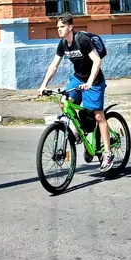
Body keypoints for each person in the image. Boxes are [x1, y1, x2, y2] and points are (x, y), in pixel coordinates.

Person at [38, 12, 113, 172]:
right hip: (78, 79)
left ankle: (107, 153)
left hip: (95, 81)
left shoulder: (82, 40)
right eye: (57, 27)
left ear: (70, 27)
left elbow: (97, 61)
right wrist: (43, 85)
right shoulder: (63, 44)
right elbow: (54, 66)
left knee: (98, 116)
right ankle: (79, 132)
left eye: (62, 26)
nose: (59, 29)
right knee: (64, 103)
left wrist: (90, 82)